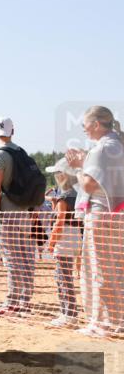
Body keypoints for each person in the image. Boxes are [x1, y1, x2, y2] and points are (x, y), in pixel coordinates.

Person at [67, 106, 124, 337]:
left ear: (97, 125)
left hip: (101, 214)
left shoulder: (102, 149)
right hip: (115, 214)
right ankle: (114, 320)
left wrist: (80, 167)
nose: (84, 129)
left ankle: (103, 323)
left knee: (99, 269)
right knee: (115, 269)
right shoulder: (116, 146)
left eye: (85, 125)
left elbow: (89, 184)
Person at [0, 117, 39, 317]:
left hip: (6, 214)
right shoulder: (22, 153)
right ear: (13, 131)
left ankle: (12, 302)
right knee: (26, 257)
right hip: (24, 211)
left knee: (11, 259)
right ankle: (25, 301)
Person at [43, 158, 83, 327]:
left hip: (65, 239)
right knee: (66, 277)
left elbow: (60, 221)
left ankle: (68, 314)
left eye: (58, 173)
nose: (56, 176)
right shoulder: (78, 193)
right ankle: (69, 313)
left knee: (62, 277)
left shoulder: (64, 196)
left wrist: (51, 243)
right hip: (77, 236)